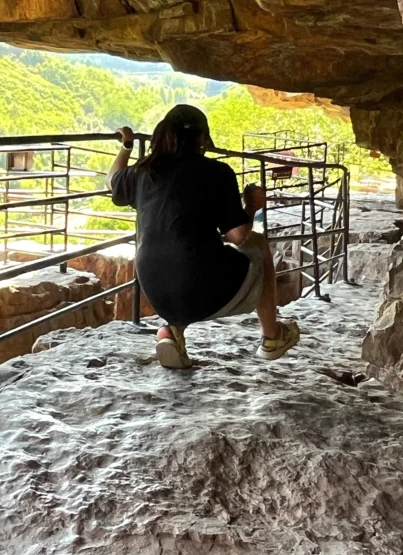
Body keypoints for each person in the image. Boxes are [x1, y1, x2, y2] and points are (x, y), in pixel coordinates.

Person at [107, 104, 301, 370]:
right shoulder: (217, 172)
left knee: (183, 257)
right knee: (257, 244)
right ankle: (272, 336)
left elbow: (111, 179)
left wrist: (127, 145)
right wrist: (252, 206)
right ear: (201, 138)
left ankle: (171, 332)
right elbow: (240, 236)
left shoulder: (144, 170)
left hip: (153, 287)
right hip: (200, 287)